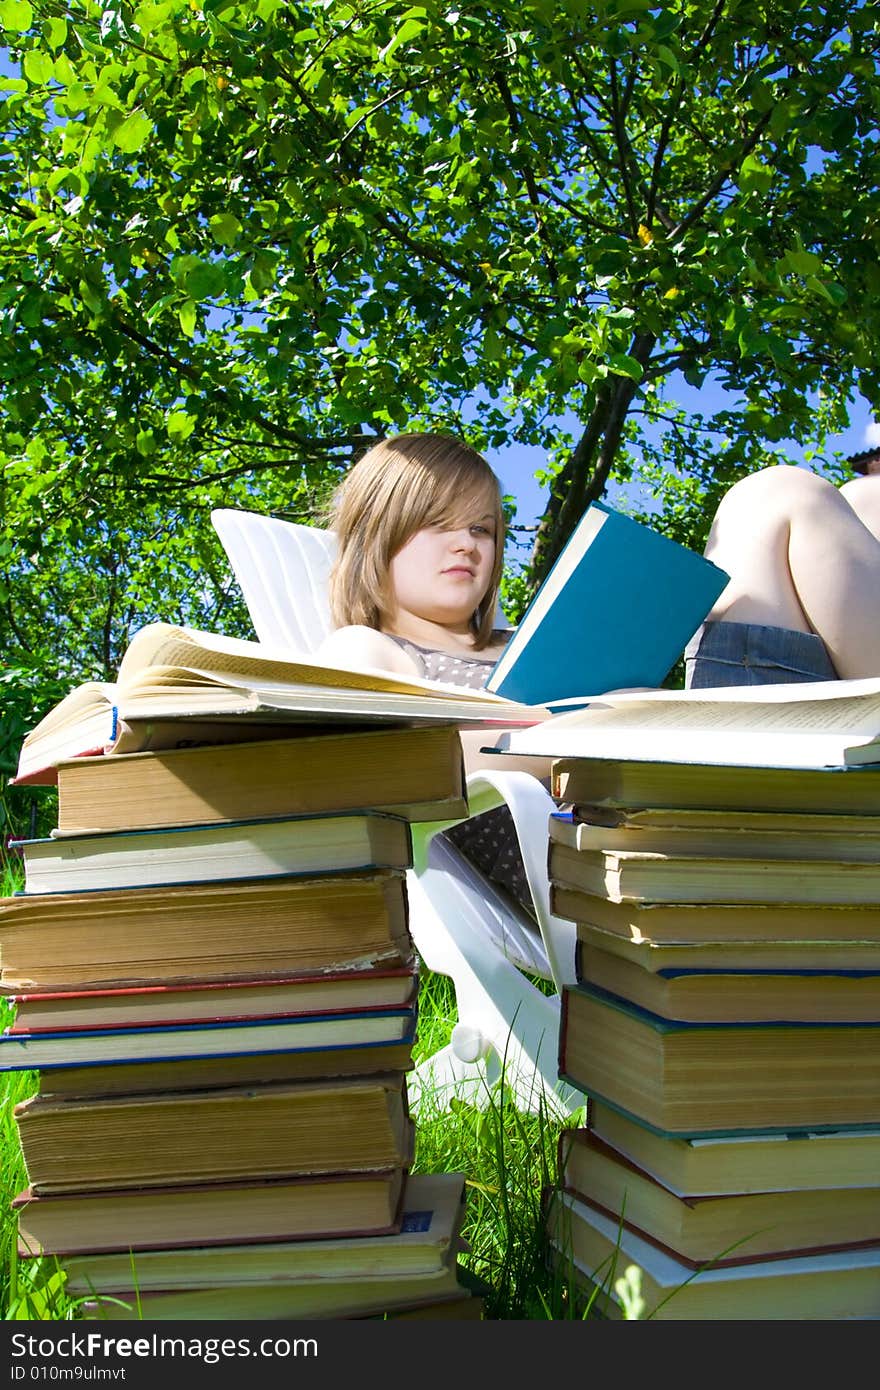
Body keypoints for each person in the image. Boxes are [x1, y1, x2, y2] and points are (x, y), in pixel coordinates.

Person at [315, 433, 880, 913]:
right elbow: (395, 765)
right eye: (438, 524)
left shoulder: (527, 642)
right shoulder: (368, 649)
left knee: (865, 499)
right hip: (631, 862)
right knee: (780, 497)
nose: (466, 542)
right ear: (376, 536)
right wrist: (602, 717)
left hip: (704, 788)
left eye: (482, 529)